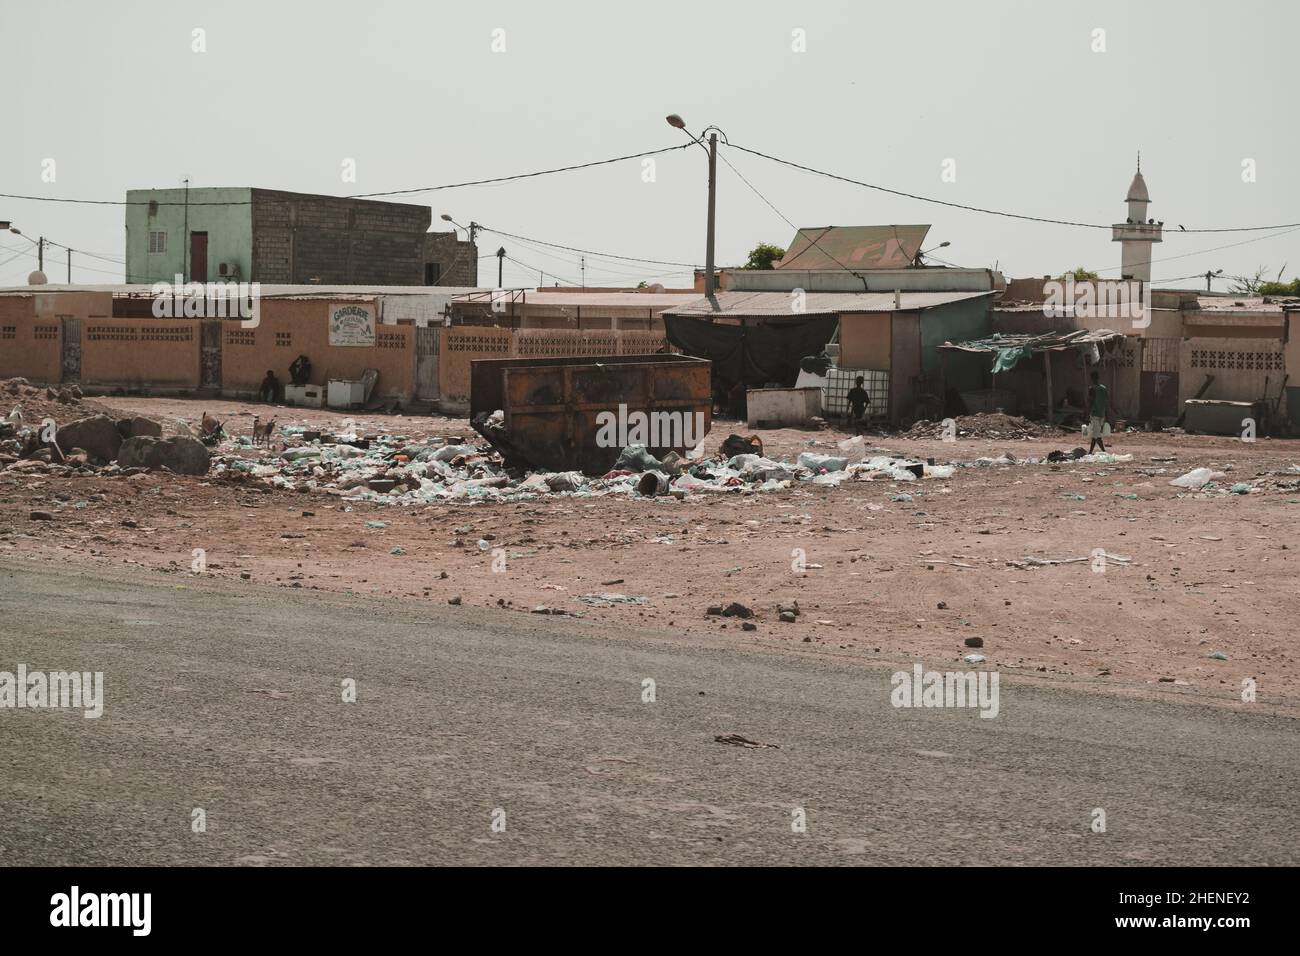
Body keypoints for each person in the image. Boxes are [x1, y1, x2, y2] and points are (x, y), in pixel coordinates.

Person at [1087, 370, 1109, 453]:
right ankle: (1093, 451)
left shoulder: (1092, 389)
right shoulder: (1104, 388)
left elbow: (1091, 402)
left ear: (1092, 378)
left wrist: (1087, 413)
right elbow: (1106, 402)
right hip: (1102, 414)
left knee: (1096, 435)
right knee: (1096, 434)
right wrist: (1106, 414)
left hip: (1095, 413)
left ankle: (1100, 451)